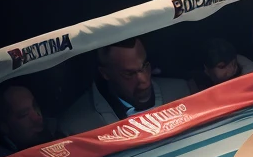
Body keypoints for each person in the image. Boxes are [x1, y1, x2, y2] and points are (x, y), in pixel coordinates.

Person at [62, 38, 190, 134]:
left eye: (145, 67)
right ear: (105, 73)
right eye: (129, 74)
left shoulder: (183, 93)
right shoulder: (78, 127)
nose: (144, 80)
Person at [0, 81, 60, 155]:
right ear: (4, 127)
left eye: (35, 106)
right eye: (24, 114)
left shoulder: (65, 129)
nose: (37, 118)